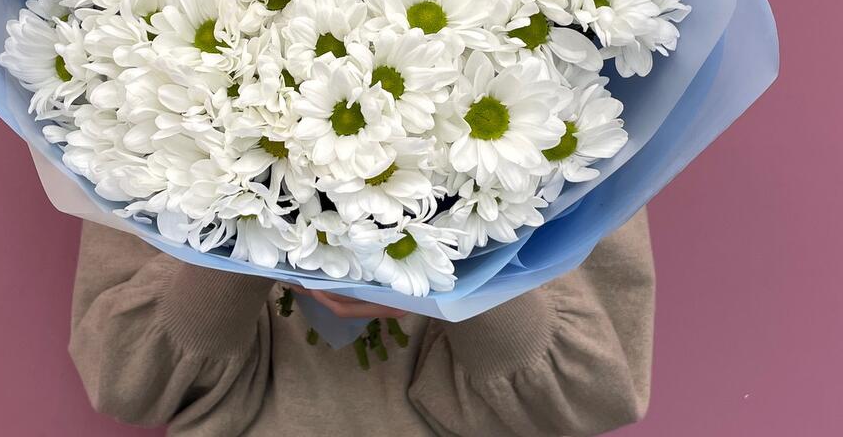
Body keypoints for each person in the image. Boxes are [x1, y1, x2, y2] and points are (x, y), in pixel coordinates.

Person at [69, 209, 654, 436]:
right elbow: (128, 380)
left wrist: (462, 245)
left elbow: (591, 396)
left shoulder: (573, 70)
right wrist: (248, 213)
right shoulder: (146, 54)